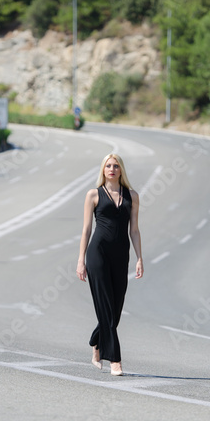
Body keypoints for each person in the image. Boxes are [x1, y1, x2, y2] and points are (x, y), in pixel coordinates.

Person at [76, 153, 143, 376]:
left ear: (121, 170)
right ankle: (115, 359)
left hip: (121, 256)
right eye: (108, 166)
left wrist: (139, 257)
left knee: (115, 309)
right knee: (104, 305)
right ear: (103, 170)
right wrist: (81, 260)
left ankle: (97, 341)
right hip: (98, 254)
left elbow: (134, 229)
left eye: (115, 166)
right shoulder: (93, 194)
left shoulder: (132, 196)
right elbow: (86, 229)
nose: (112, 169)